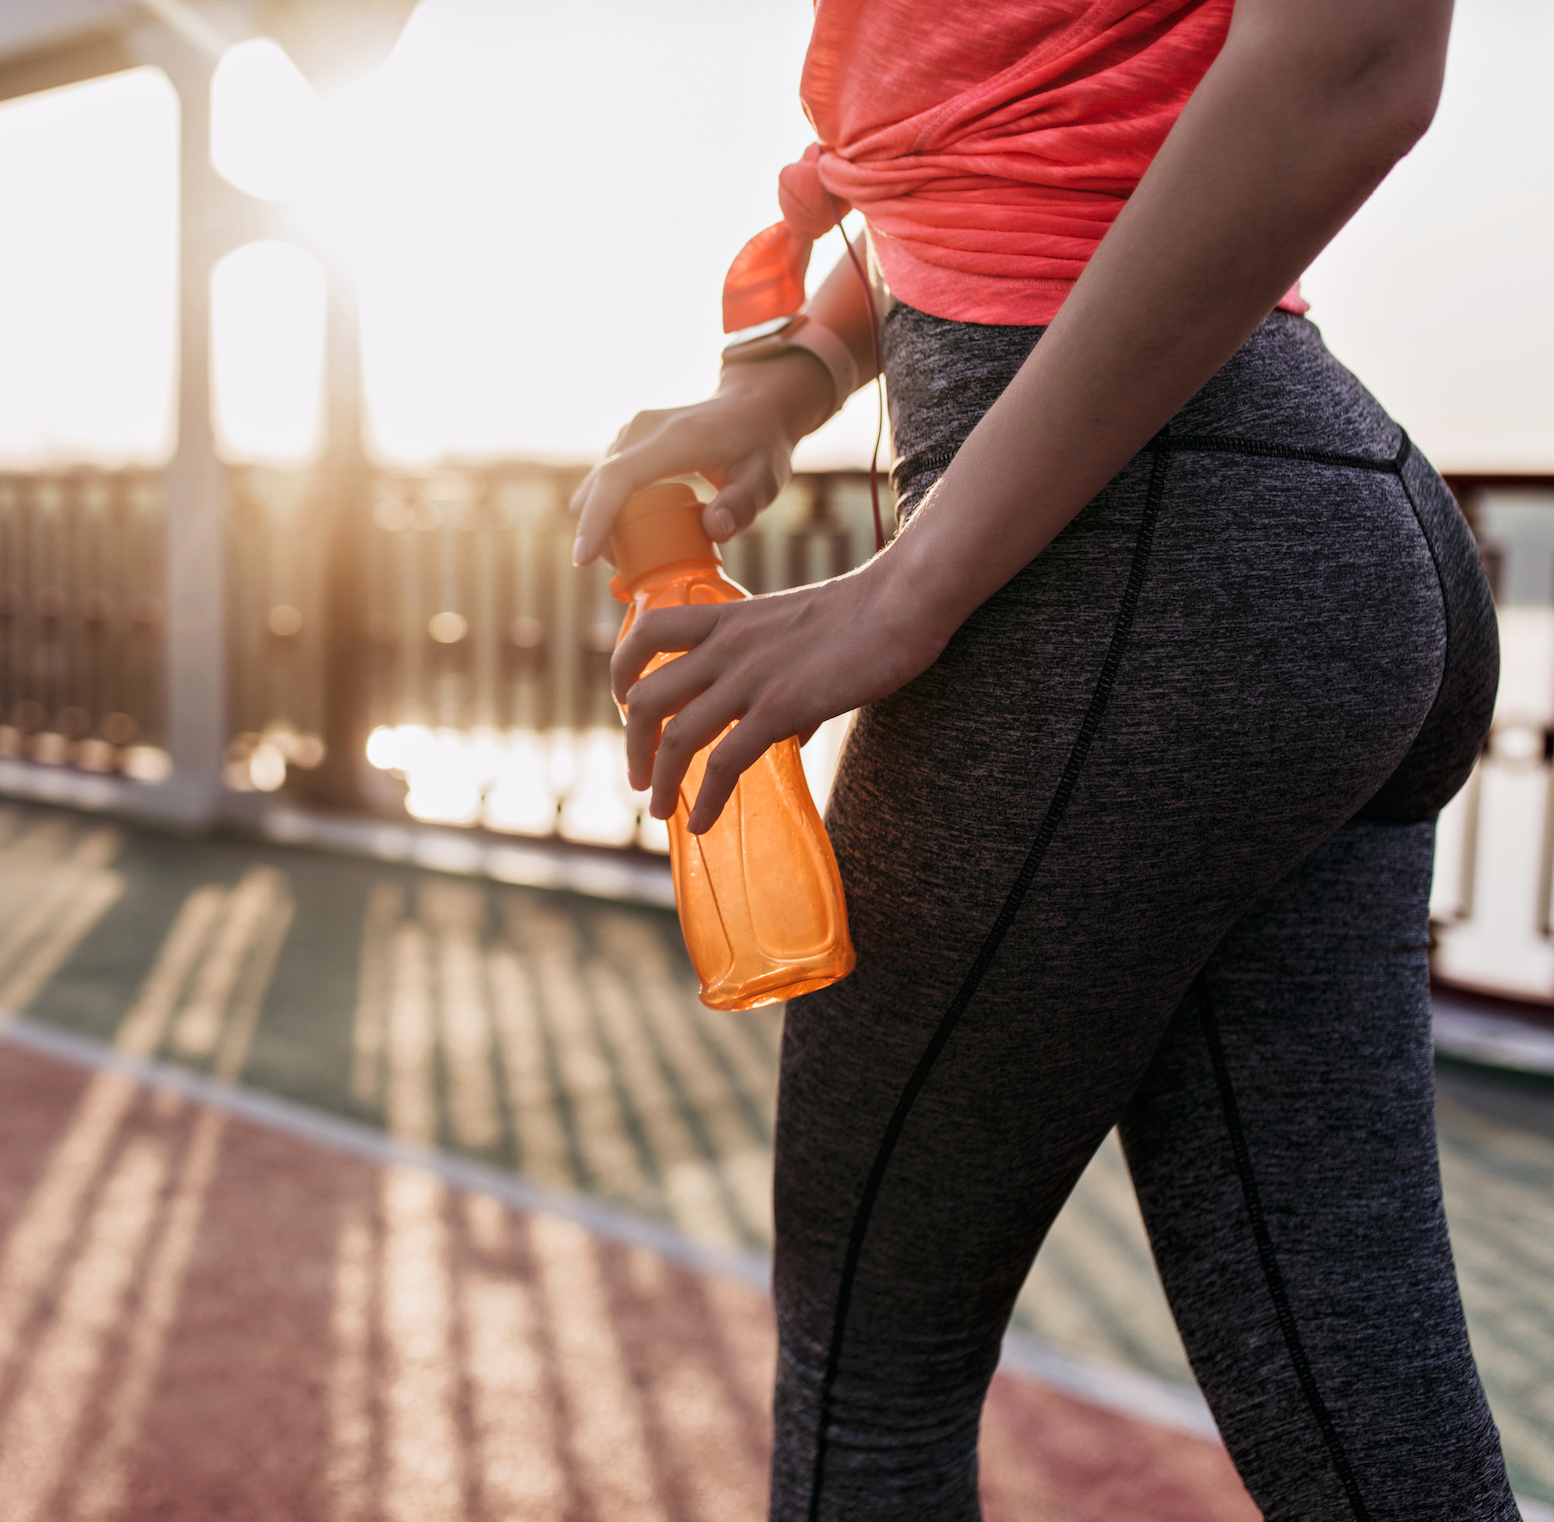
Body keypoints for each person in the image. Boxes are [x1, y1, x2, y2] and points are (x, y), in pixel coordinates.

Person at [567, 0, 1522, 1516]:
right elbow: (1007, 132)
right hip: (1276, 547)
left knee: (866, 1374)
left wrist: (904, 587)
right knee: (1350, 1394)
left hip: (1137, 570)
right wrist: (794, 372)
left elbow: (1353, 57)